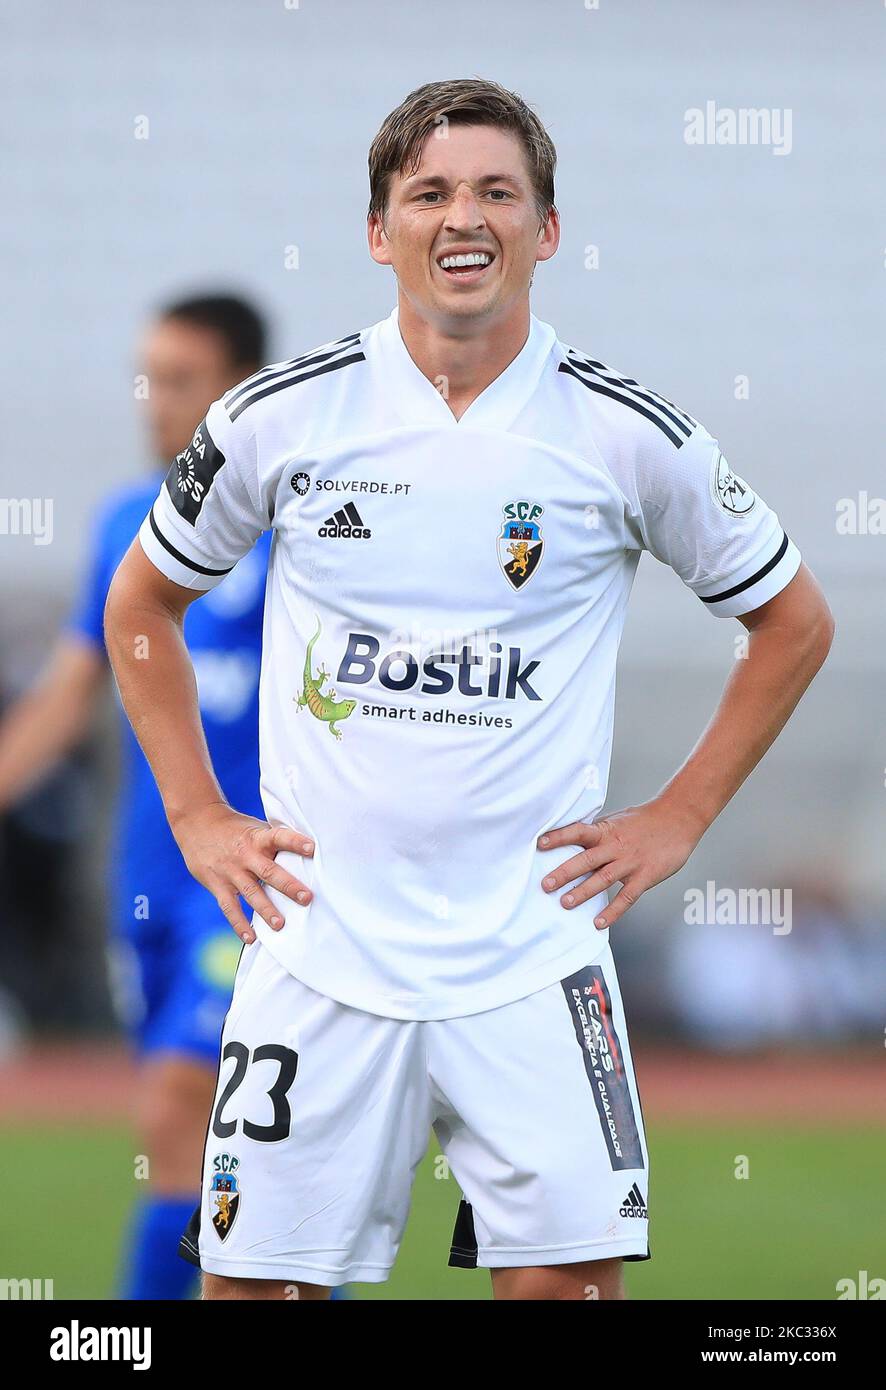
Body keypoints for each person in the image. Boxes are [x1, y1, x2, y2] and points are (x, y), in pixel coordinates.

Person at [103, 79, 834, 1301]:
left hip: (534, 956)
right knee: (252, 1294)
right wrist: (195, 814)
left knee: (566, 1294)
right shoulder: (279, 417)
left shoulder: (623, 432)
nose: (464, 217)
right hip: (319, 949)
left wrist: (679, 817)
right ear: (378, 227)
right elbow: (140, 609)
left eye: (498, 191)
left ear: (546, 229)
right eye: (429, 192)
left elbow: (793, 623)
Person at [0, 293, 271, 1299]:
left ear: (241, 389)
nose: (155, 403)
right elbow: (71, 689)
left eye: (181, 380)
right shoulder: (128, 520)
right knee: (205, 1158)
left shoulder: (298, 528)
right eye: (149, 378)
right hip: (147, 876)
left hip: (248, 877)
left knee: (181, 1109)